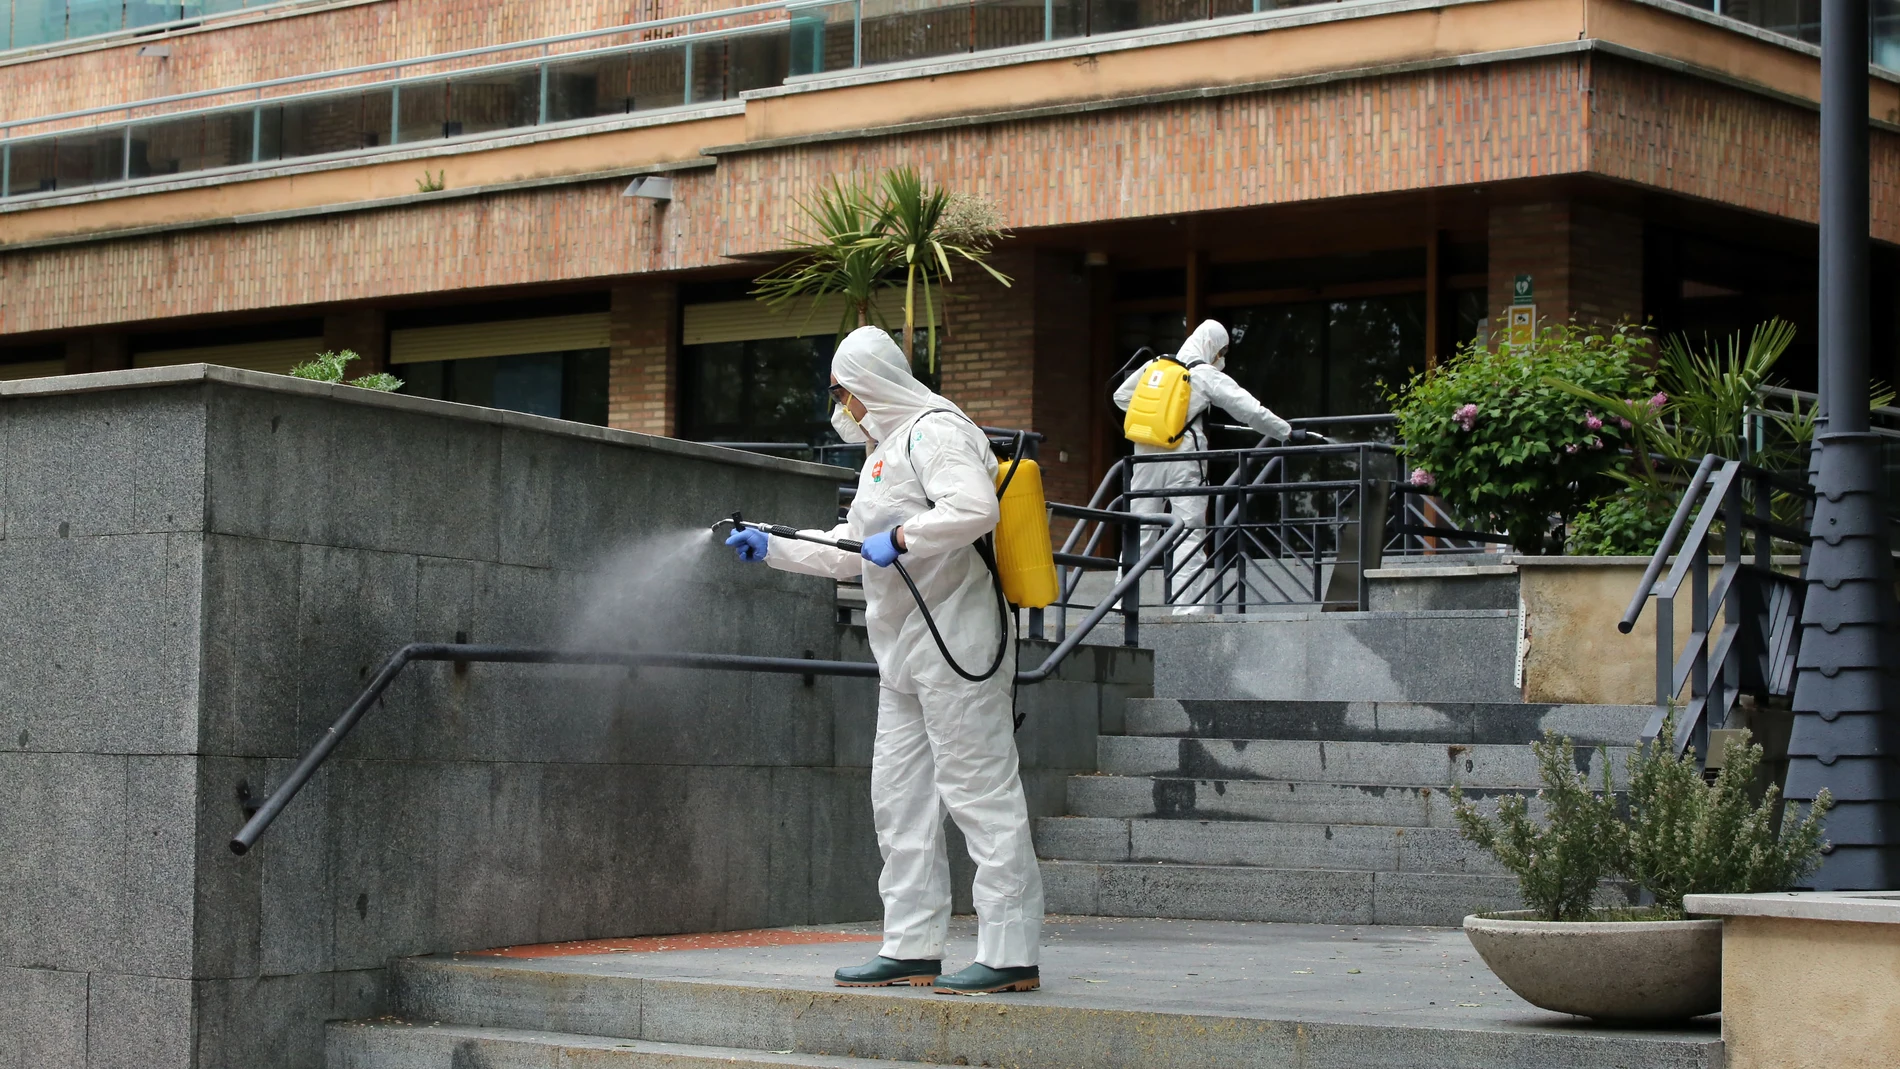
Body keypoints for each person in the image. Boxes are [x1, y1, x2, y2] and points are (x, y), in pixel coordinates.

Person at [723, 326, 1043, 996]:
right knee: (899, 799)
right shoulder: (885, 450)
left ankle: (1010, 951)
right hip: (903, 649)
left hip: (957, 640)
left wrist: (900, 537)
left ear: (867, 383)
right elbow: (852, 545)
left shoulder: (935, 431)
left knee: (980, 795)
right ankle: (911, 944)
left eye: (843, 392)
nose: (840, 406)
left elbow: (974, 508)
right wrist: (775, 545)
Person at [1112, 318, 1292, 609]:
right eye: (1221, 353)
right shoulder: (1204, 373)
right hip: (1184, 459)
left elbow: (1121, 397)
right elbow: (1249, 411)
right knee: (1188, 531)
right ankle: (1187, 609)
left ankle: (1119, 604)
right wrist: (1285, 431)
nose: (1221, 359)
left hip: (1145, 456)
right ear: (1212, 347)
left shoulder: (1157, 365)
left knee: (1139, 529)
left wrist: (1159, 415)